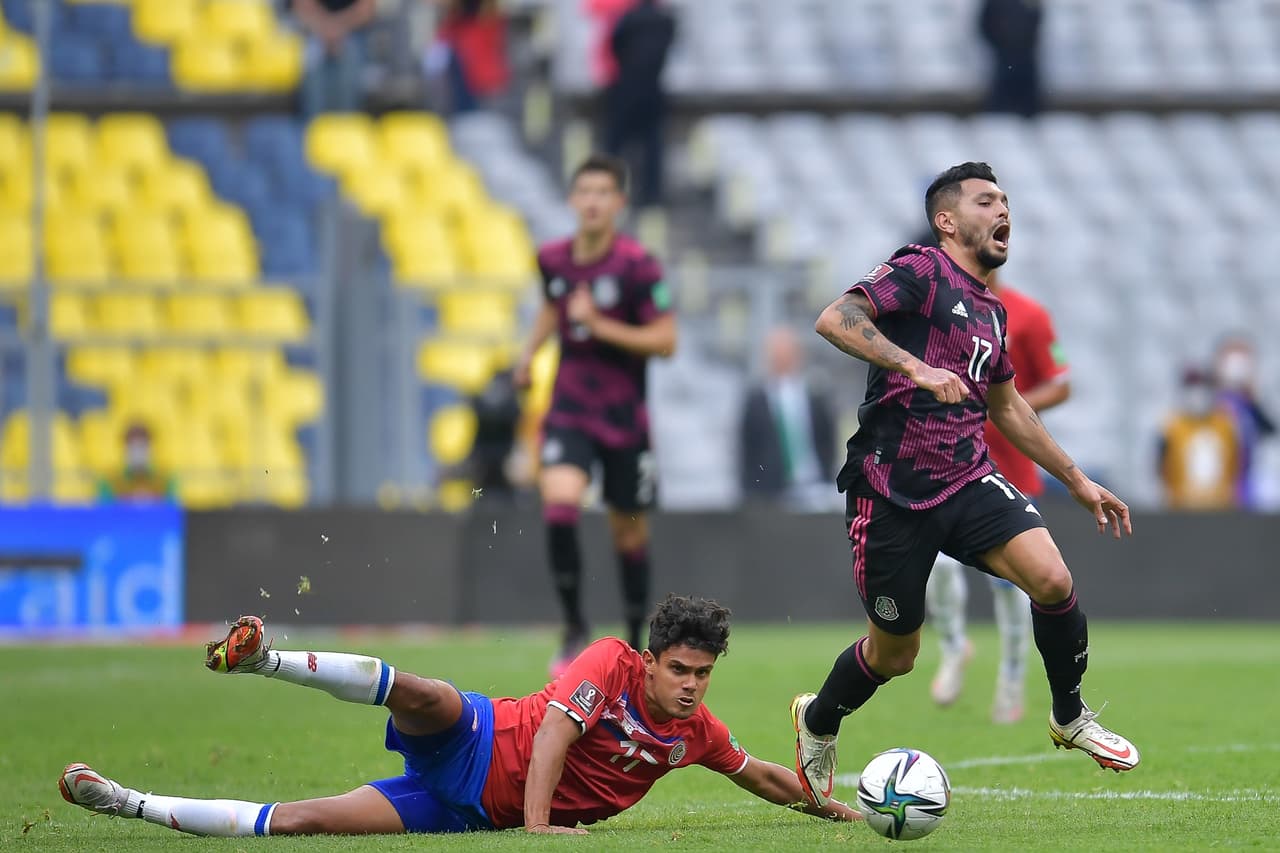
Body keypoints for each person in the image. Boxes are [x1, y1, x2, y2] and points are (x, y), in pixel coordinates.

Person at [789, 162, 1140, 815]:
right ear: (947, 220)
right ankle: (820, 718)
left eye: (1006, 199)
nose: (1003, 209)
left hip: (967, 477)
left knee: (1054, 580)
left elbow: (1009, 409)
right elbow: (835, 318)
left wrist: (1078, 479)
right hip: (889, 487)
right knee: (895, 655)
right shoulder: (921, 269)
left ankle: (1069, 715)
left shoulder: (991, 310)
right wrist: (914, 364)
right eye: (986, 200)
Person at [58, 595, 858, 837]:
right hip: (481, 737)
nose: (690, 686)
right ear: (650, 660)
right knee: (429, 694)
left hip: (460, 808)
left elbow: (760, 776)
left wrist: (833, 806)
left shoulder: (695, 732)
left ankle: (125, 800)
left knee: (301, 820)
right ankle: (264, 655)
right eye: (679, 669)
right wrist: (541, 827)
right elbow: (552, 732)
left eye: (703, 674)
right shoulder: (609, 661)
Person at [513, 154, 676, 674]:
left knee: (627, 532)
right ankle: (574, 628)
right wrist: (527, 354)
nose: (592, 201)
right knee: (559, 503)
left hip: (625, 416)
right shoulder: (553, 258)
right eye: (584, 191)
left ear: (619, 203)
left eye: (603, 192)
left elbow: (665, 340)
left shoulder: (638, 266)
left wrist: (599, 325)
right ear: (571, 199)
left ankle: (633, 642)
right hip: (569, 407)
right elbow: (551, 304)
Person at [925, 270, 1071, 724]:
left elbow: (1061, 382)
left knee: (1013, 588)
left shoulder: (1027, 315)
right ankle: (953, 647)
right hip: (949, 465)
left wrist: (1008, 405)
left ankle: (1011, 680)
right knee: (937, 566)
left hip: (1011, 469)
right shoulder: (938, 312)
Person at [739, 326, 836, 510]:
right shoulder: (756, 400)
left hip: (814, 490)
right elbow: (747, 449)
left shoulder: (814, 396)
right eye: (777, 355)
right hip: (771, 494)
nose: (782, 360)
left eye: (787, 354)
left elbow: (827, 440)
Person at [604, 0, 676, 208]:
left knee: (615, 144)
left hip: (626, 87)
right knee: (652, 145)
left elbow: (615, 44)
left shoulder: (628, 18)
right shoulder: (666, 20)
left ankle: (610, 190)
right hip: (653, 89)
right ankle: (651, 195)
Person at [1157, 367, 1240, 509]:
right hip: (1181, 507)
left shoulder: (1225, 425)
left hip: (1221, 506)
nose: (1197, 394)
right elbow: (1161, 466)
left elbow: (1236, 463)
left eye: (1203, 387)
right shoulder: (1172, 427)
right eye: (1192, 387)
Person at [1210, 335, 1276, 509]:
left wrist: (1252, 399)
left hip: (1246, 483)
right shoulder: (1211, 403)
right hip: (1216, 484)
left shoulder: (1250, 406)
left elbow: (1270, 430)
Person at [289, 0, 377, 116]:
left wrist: (338, 27)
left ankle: (345, 127)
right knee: (314, 58)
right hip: (317, 33)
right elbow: (302, 7)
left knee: (349, 57)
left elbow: (366, 11)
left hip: (352, 34)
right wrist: (326, 28)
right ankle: (315, 126)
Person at [978, 0, 1043, 117]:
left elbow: (1037, 20)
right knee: (1002, 103)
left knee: (1028, 105)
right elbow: (984, 25)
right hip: (1005, 57)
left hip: (1025, 59)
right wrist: (1000, 45)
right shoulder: (994, 3)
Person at [96, 422, 175, 503]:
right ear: (124, 449)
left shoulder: (164, 481)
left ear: (150, 449)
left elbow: (173, 511)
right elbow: (103, 511)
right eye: (132, 447)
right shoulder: (110, 481)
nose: (137, 452)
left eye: (141, 446)